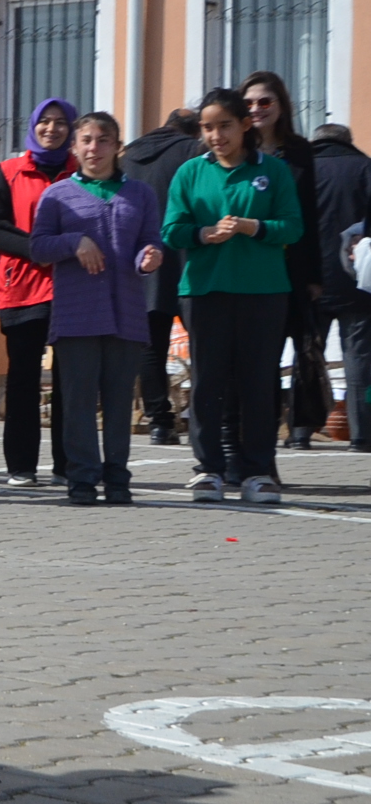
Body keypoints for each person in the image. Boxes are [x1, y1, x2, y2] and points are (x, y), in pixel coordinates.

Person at [163, 88, 300, 504]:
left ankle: (258, 472)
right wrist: (204, 234)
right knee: (208, 383)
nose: (216, 135)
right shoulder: (190, 172)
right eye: (207, 128)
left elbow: (293, 227)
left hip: (263, 292)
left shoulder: (273, 171)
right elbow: (172, 231)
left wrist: (253, 227)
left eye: (224, 126)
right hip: (205, 291)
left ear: (244, 125)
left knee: (258, 382)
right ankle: (208, 470)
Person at [28, 113, 165, 506]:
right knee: (79, 403)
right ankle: (82, 479)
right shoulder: (57, 195)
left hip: (126, 314)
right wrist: (74, 242)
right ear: (74, 147)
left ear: (118, 147)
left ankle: (118, 477)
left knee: (120, 404)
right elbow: (38, 247)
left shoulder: (140, 194)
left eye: (103, 140)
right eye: (86, 140)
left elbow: (150, 241)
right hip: (77, 316)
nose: (94, 148)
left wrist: (149, 257)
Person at [0, 96, 75, 486]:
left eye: (60, 122)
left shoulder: (81, 171)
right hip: (21, 286)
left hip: (71, 286)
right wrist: (37, 248)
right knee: (23, 377)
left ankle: (68, 465)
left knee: (70, 378)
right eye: (44, 121)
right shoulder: (10, 171)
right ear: (33, 125)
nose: (51, 129)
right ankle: (21, 465)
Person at [238, 72, 324, 447]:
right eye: (249, 103)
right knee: (262, 357)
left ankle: (301, 425)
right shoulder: (239, 149)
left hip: (293, 267)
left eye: (265, 101)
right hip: (251, 265)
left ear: (280, 106)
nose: (257, 109)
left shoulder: (299, 150)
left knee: (302, 350)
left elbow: (310, 215)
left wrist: (315, 275)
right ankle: (262, 433)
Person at [119, 109, 203, 443]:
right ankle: (203, 418)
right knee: (204, 343)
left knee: (151, 345)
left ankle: (159, 422)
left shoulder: (128, 156)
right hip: (188, 260)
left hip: (145, 260)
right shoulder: (193, 151)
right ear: (194, 131)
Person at [307, 122, 371, 450]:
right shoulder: (364, 167)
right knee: (359, 359)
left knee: (307, 353)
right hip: (356, 278)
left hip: (309, 279)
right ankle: (362, 435)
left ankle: (301, 431)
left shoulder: (302, 169)